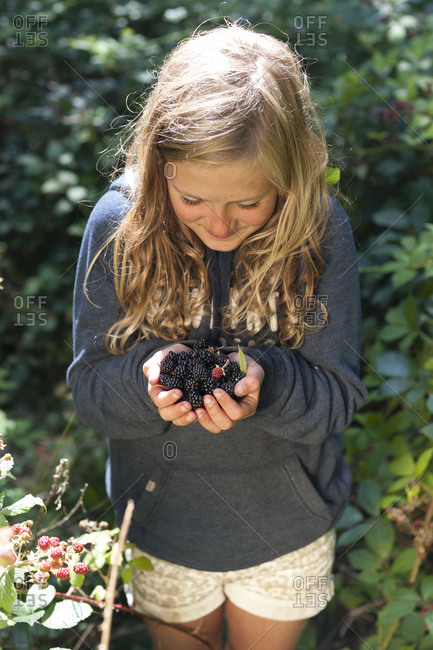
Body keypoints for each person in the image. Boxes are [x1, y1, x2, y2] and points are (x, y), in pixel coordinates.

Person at [67, 20, 368, 650]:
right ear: (160, 166)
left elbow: (339, 398)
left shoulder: (319, 231)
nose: (220, 223)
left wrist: (273, 384)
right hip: (163, 524)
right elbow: (93, 392)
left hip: (286, 529)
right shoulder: (119, 226)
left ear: (289, 181)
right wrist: (145, 382)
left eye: (249, 204)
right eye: (194, 199)